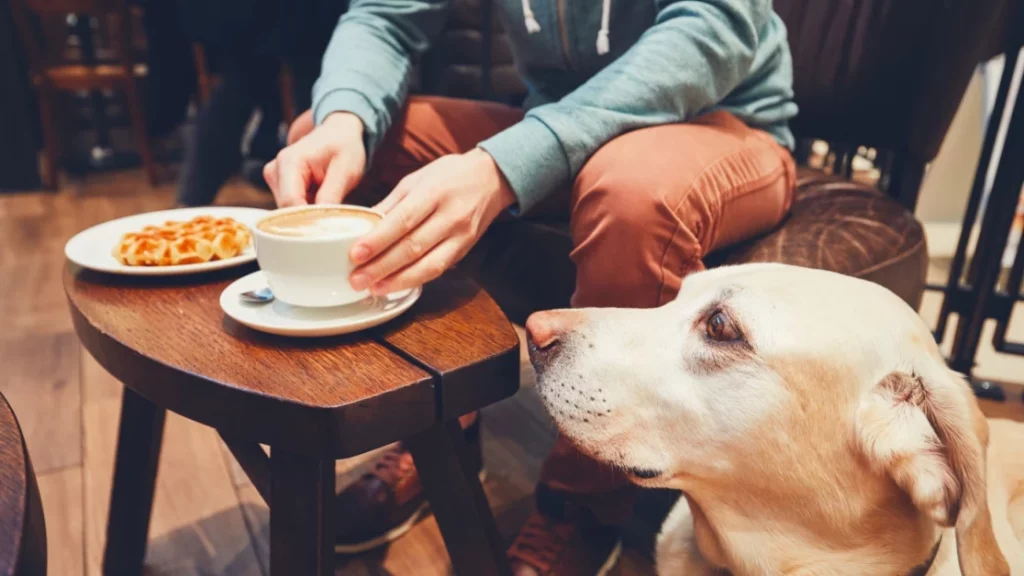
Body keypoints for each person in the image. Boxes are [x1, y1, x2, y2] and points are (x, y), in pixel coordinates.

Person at [264, 1, 798, 574]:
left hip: (718, 119)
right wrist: (345, 116)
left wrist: (502, 166)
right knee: (329, 139)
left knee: (630, 196)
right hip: (559, 117)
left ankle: (584, 499)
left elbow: (712, 28)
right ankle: (439, 438)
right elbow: (384, 15)